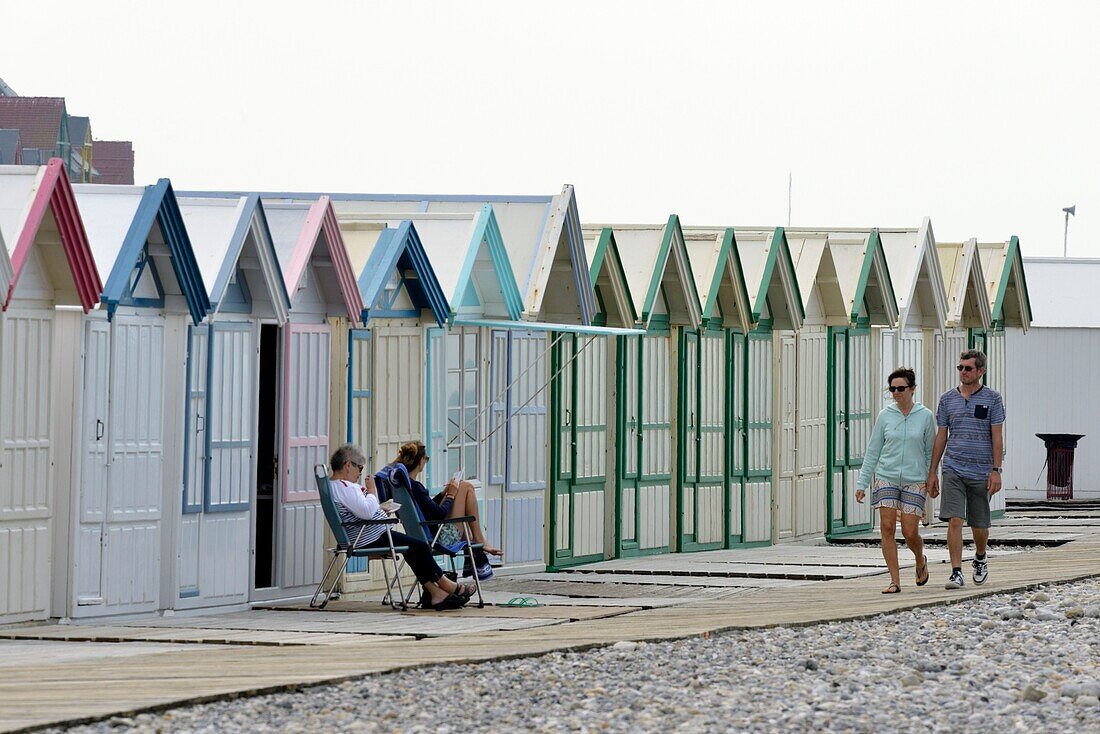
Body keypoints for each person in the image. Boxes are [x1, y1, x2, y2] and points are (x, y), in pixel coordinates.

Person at [328, 444, 474, 610]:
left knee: (412, 549)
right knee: (420, 547)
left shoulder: (334, 486)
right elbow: (368, 511)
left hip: (364, 534)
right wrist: (371, 490)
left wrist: (379, 507)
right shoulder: (346, 487)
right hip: (371, 537)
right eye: (359, 468)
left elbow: (361, 510)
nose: (360, 473)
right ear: (348, 465)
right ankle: (447, 585)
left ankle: (436, 593)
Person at [928, 349, 1005, 590]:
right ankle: (956, 571)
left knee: (979, 524)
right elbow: (941, 436)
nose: (963, 372)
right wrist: (932, 472)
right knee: (954, 519)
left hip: (981, 470)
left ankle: (980, 557)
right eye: (960, 367)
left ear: (980, 371)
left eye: (968, 368)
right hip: (953, 467)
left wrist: (996, 470)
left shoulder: (992, 399)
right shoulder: (947, 399)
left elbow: (997, 437)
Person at [855, 367, 936, 593]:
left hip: (915, 479)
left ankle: (920, 559)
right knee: (887, 528)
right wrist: (862, 483)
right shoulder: (885, 416)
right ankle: (895, 580)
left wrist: (931, 477)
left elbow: (930, 451)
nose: (896, 393)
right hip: (886, 477)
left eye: (901, 388)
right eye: (892, 389)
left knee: (910, 531)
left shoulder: (926, 416)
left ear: (912, 389)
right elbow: (873, 451)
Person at [381, 441, 503, 581]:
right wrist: (451, 495)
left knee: (462, 487)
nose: (426, 461)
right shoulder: (416, 487)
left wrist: (444, 493)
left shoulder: (407, 487)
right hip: (440, 538)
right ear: (420, 461)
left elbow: (430, 509)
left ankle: (475, 538)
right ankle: (479, 539)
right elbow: (439, 514)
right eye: (426, 458)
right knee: (466, 486)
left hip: (424, 534)